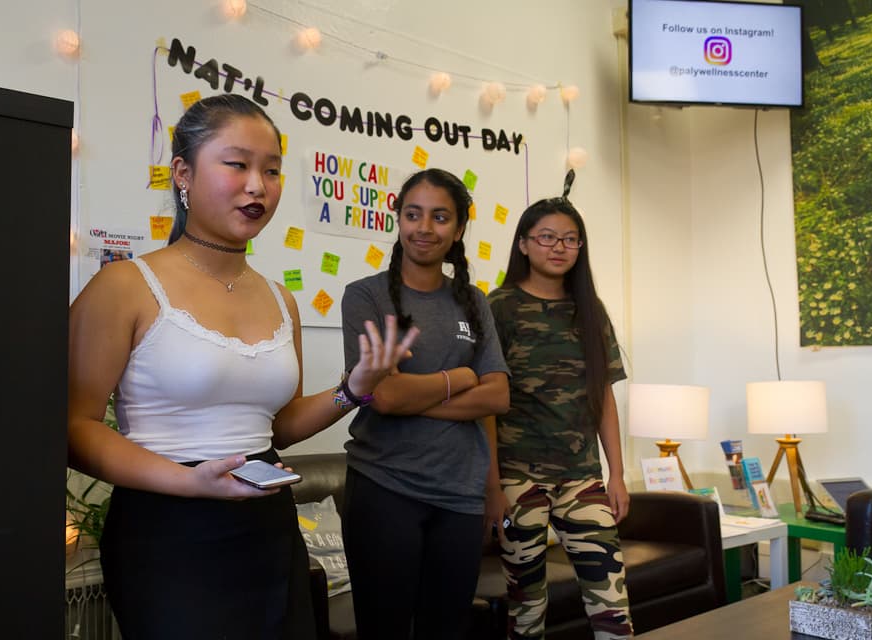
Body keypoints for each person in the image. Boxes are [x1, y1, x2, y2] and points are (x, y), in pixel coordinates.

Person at [67, 94, 417, 640]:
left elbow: (275, 427)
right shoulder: (125, 286)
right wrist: (189, 483)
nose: (258, 185)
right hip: (165, 533)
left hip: (266, 527)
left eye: (272, 170)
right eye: (237, 164)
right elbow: (74, 428)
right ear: (183, 172)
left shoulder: (282, 299)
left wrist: (354, 389)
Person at [339, 168, 511, 639]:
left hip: (460, 494)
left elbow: (497, 396)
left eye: (439, 217)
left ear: (457, 230)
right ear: (397, 219)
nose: (424, 228)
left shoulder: (474, 301)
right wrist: (461, 376)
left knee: (447, 630)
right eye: (412, 214)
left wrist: (491, 487)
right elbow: (381, 394)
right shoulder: (365, 296)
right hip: (384, 488)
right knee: (384, 630)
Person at [485, 192, 633, 640]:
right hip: (518, 477)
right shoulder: (500, 307)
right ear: (524, 244)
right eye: (547, 237)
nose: (559, 247)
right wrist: (492, 486)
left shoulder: (590, 309)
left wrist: (618, 474)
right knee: (526, 606)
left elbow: (603, 395)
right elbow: (486, 404)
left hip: (580, 477)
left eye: (570, 239)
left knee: (612, 599)